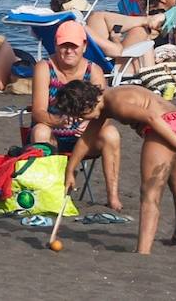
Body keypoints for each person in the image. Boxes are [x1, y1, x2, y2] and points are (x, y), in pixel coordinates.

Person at [51, 80, 176, 254]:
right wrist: (70, 170)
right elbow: (87, 138)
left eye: (80, 115)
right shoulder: (104, 103)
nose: (80, 120)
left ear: (87, 105)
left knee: (150, 193)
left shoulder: (116, 103)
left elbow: (151, 117)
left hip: (165, 128)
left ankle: (143, 252)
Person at [28, 19, 122, 210]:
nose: (68, 51)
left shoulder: (93, 71)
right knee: (40, 131)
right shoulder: (45, 67)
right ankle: (43, 190)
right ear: (56, 45)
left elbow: (105, 112)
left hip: (84, 137)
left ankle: (113, 196)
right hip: (54, 132)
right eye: (64, 46)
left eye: (74, 46)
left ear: (84, 46)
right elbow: (38, 112)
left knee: (111, 133)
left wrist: (89, 125)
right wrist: (58, 121)